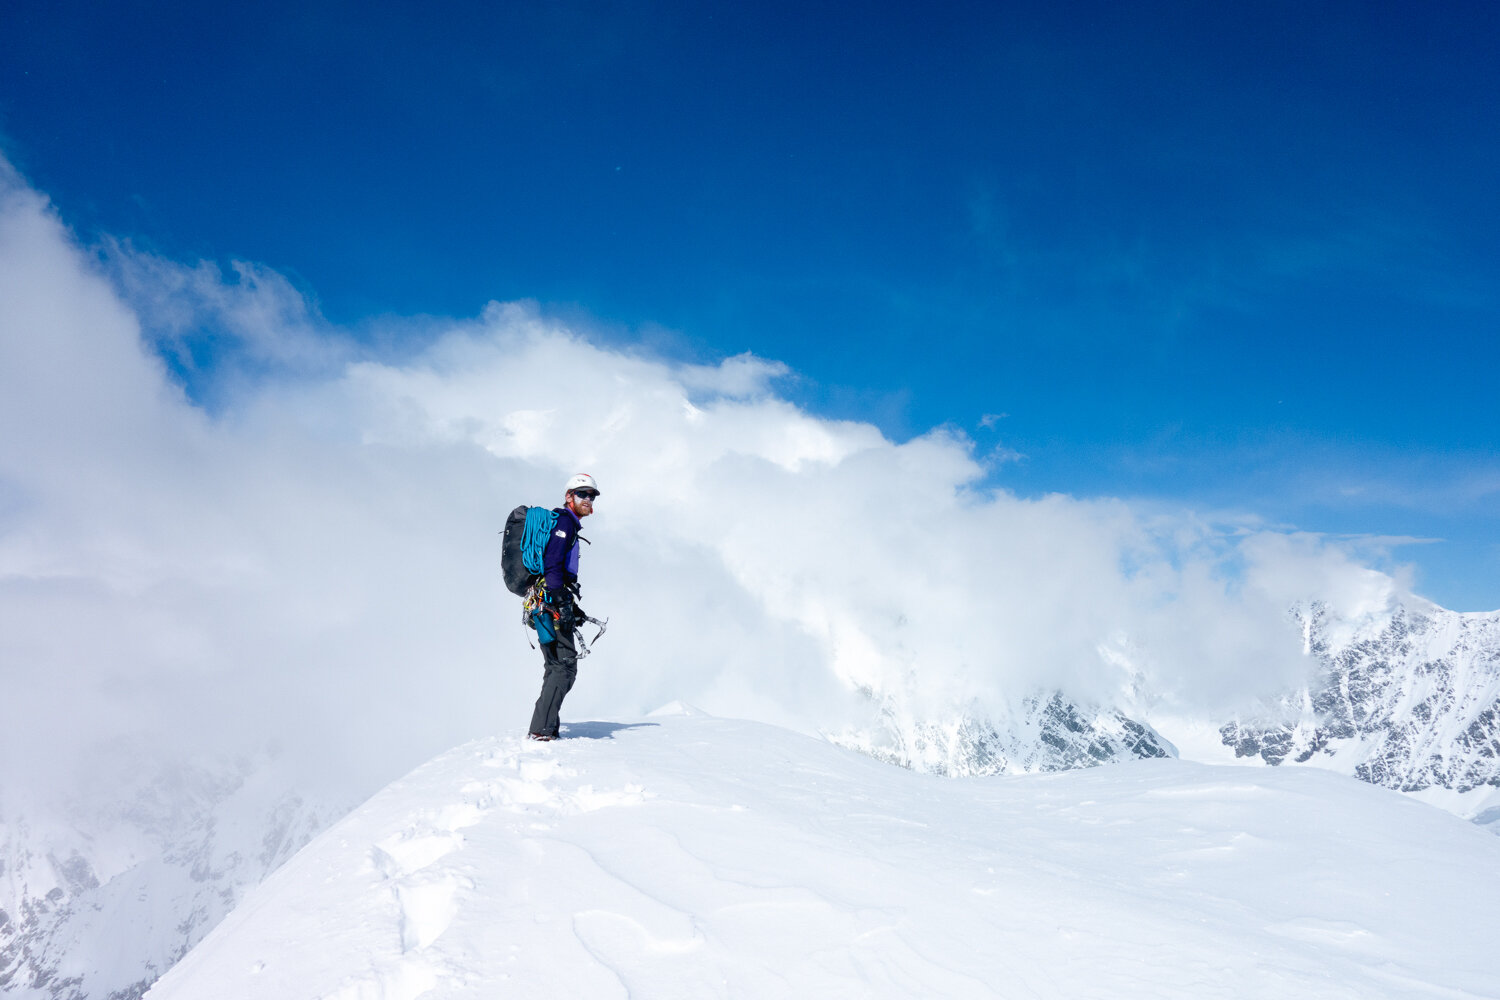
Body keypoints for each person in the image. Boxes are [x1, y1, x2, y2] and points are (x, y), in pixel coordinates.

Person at [527, 473, 600, 740]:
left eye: (591, 495)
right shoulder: (565, 524)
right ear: (569, 496)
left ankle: (545, 728)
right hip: (549, 605)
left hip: (546, 603)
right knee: (564, 667)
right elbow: (553, 564)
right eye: (582, 494)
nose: (588, 499)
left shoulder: (567, 524)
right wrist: (561, 601)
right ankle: (541, 731)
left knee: (556, 665)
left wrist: (572, 606)